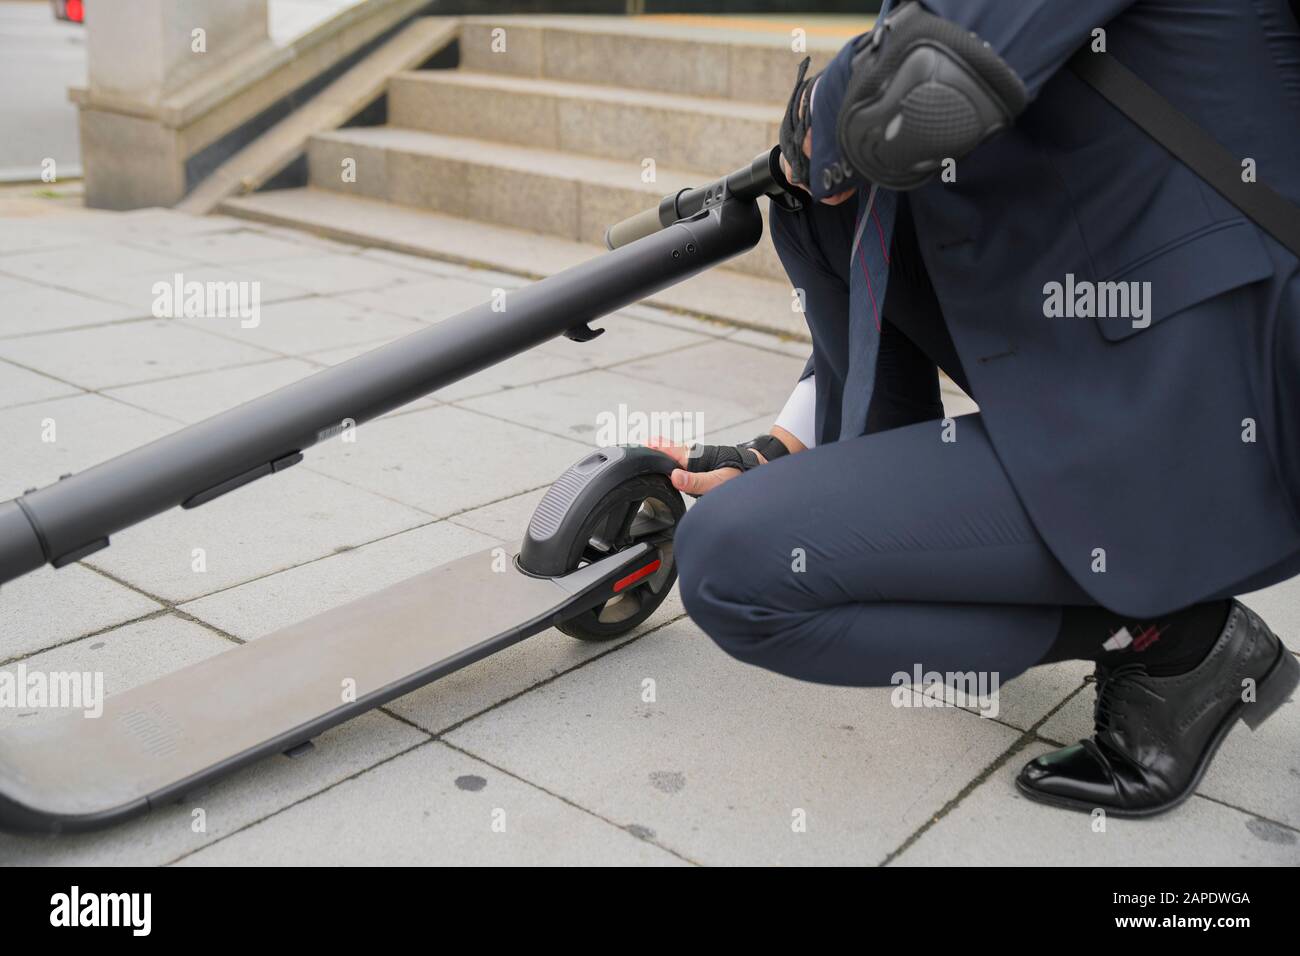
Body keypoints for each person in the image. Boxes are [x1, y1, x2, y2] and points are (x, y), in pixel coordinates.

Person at [658, 0, 1300, 817]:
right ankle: (880, 500)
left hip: (1217, 397)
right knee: (820, 204)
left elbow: (914, 95)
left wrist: (812, 118)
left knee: (732, 567)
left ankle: (1172, 638)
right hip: (1109, 345)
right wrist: (785, 449)